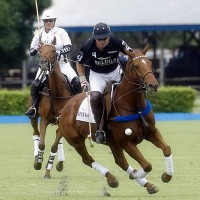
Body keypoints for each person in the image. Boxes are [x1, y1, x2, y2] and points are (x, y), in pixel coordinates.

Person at [76, 22, 133, 144]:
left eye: (105, 38)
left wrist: (128, 59)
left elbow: (132, 54)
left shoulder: (117, 42)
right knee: (95, 97)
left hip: (115, 72)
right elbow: (79, 63)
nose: (102, 41)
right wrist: (82, 79)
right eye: (99, 39)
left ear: (109, 36)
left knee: (127, 93)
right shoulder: (88, 45)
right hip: (97, 75)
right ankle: (100, 130)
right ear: (94, 38)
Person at [25, 9, 81, 118]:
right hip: (45, 66)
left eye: (50, 20)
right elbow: (31, 51)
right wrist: (37, 48)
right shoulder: (38, 33)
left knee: (76, 82)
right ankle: (34, 107)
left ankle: (79, 106)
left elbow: (69, 47)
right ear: (43, 22)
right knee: (35, 85)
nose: (48, 22)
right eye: (46, 21)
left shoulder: (61, 32)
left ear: (54, 21)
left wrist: (59, 52)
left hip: (62, 64)